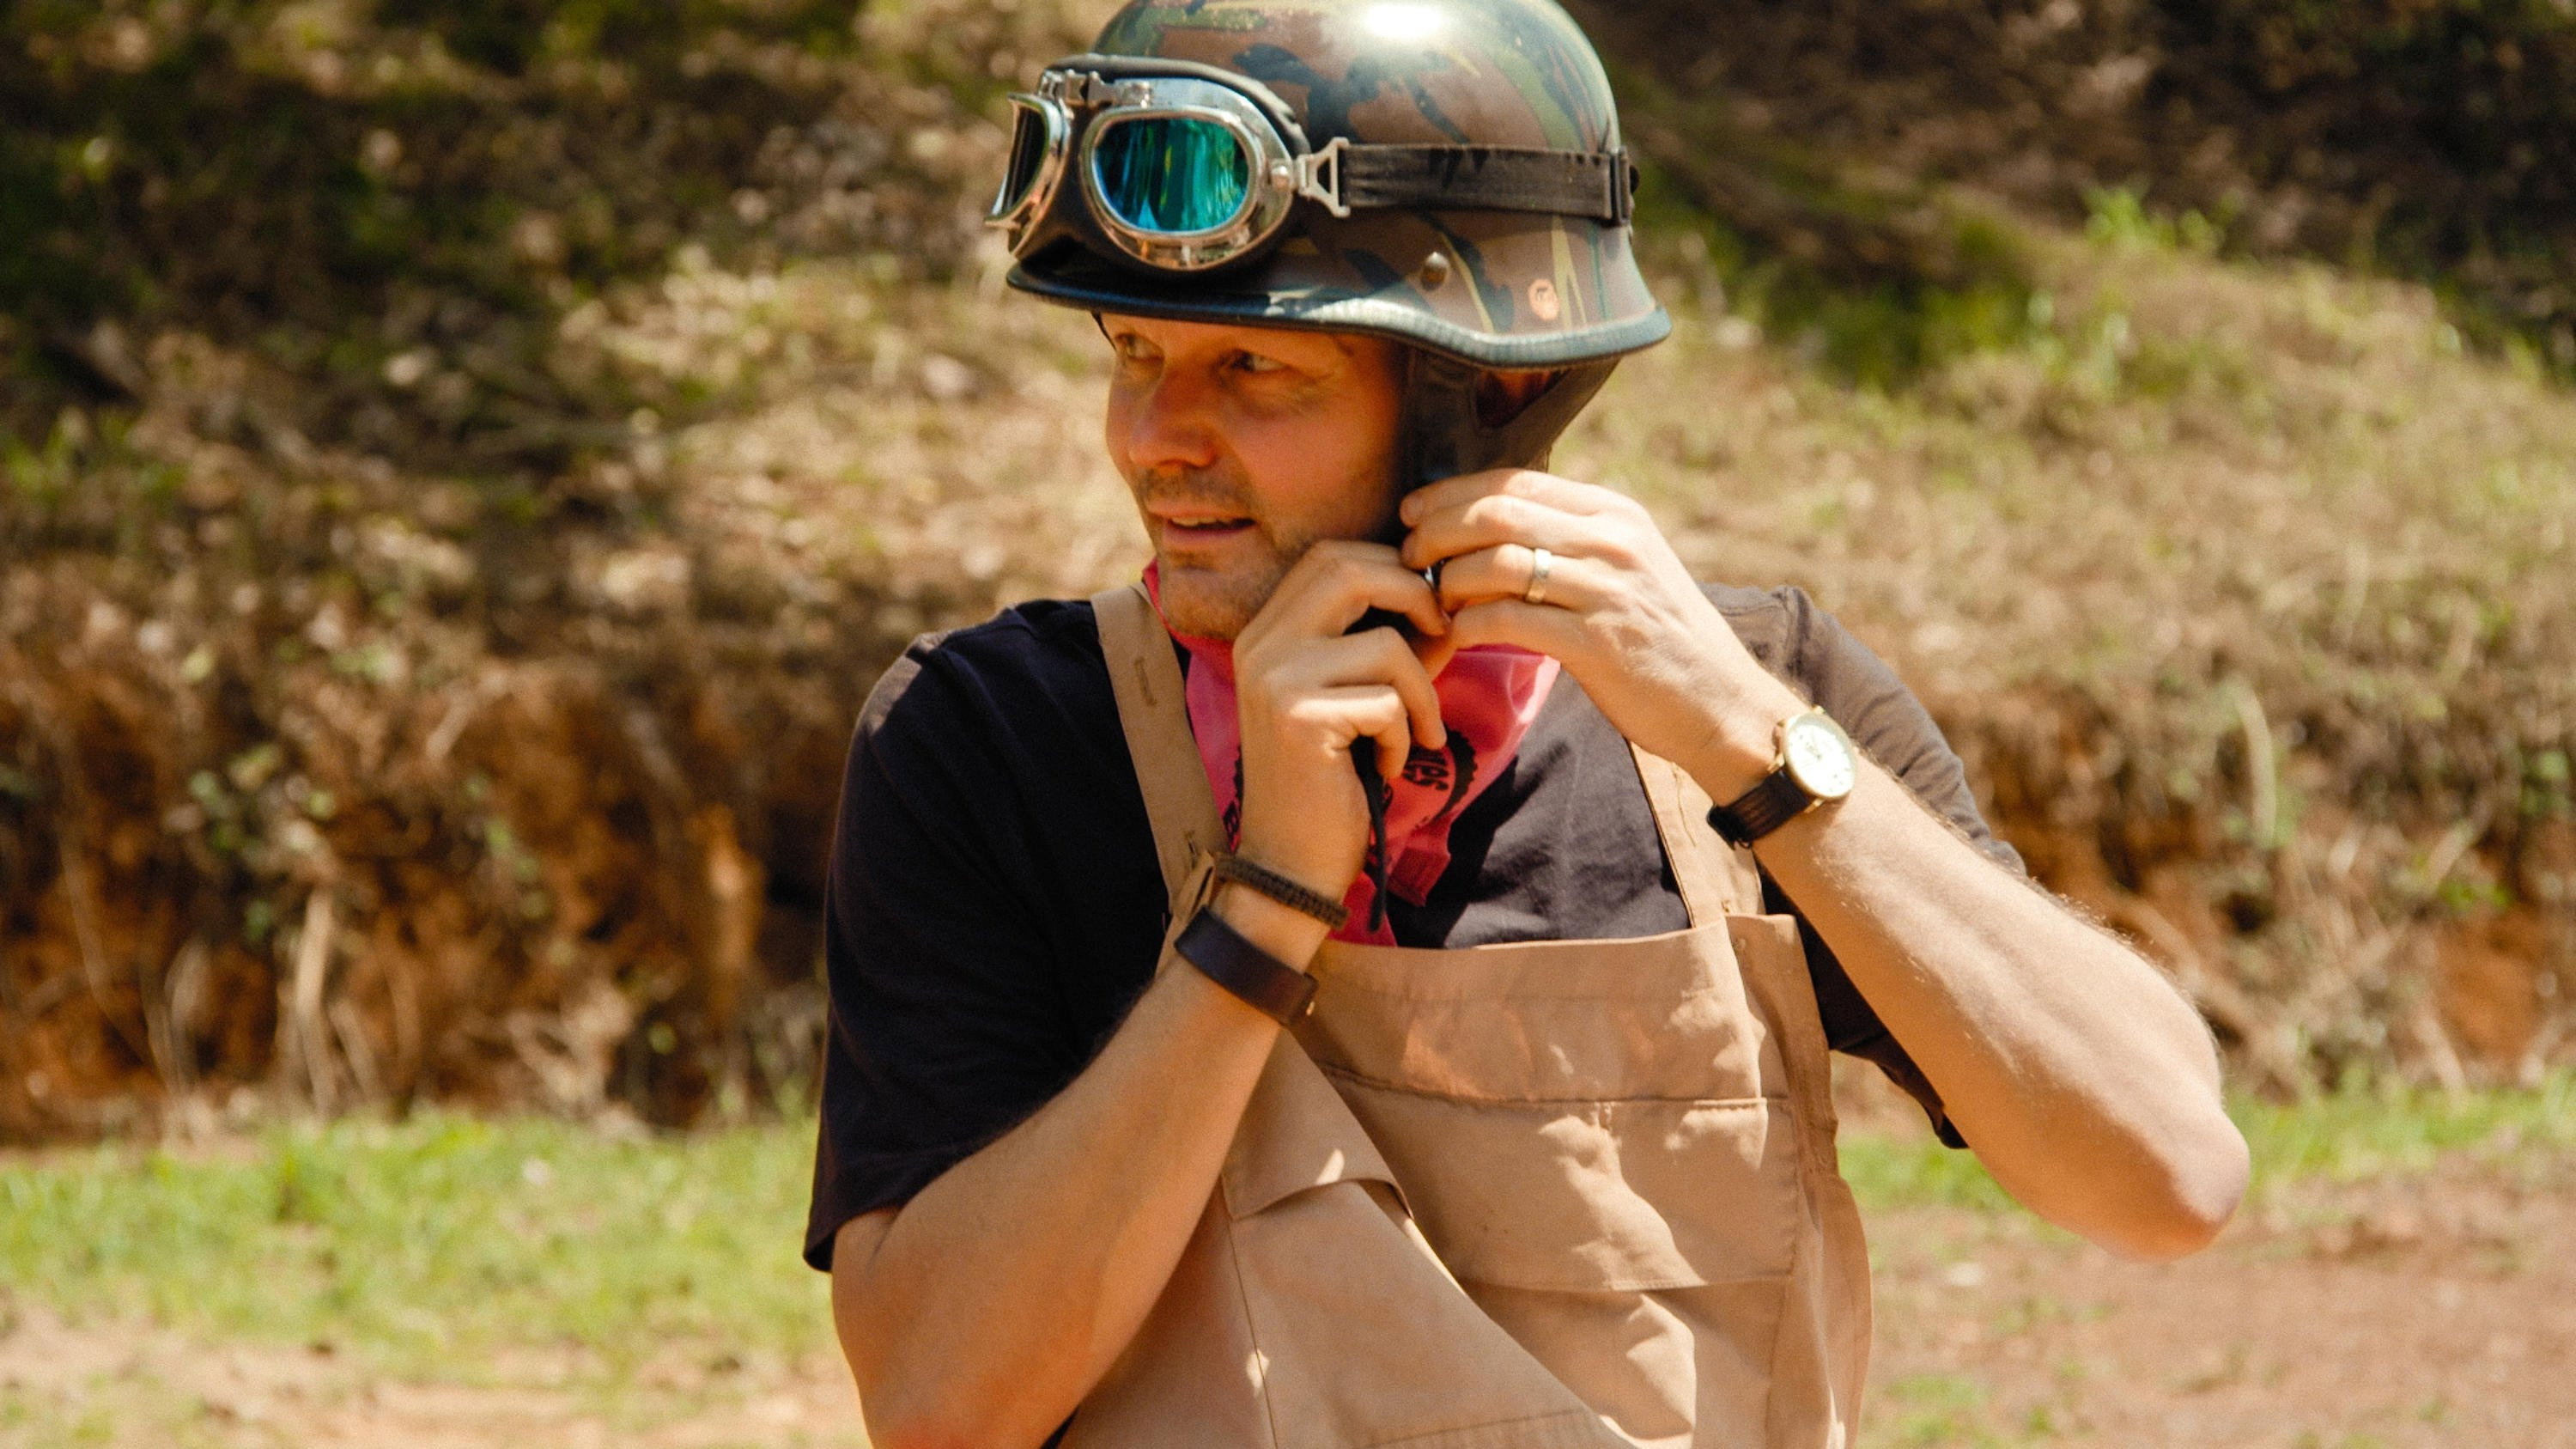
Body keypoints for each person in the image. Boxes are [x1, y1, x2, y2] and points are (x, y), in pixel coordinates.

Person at [806, 2, 2249, 1445]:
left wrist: (1754, 748)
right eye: (1133, 351)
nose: (1151, 440)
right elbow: (938, 1405)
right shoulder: (988, 738)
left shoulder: (1757, 697)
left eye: (1254, 369)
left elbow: (2169, 1179)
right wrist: (1264, 903)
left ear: (1489, 390)